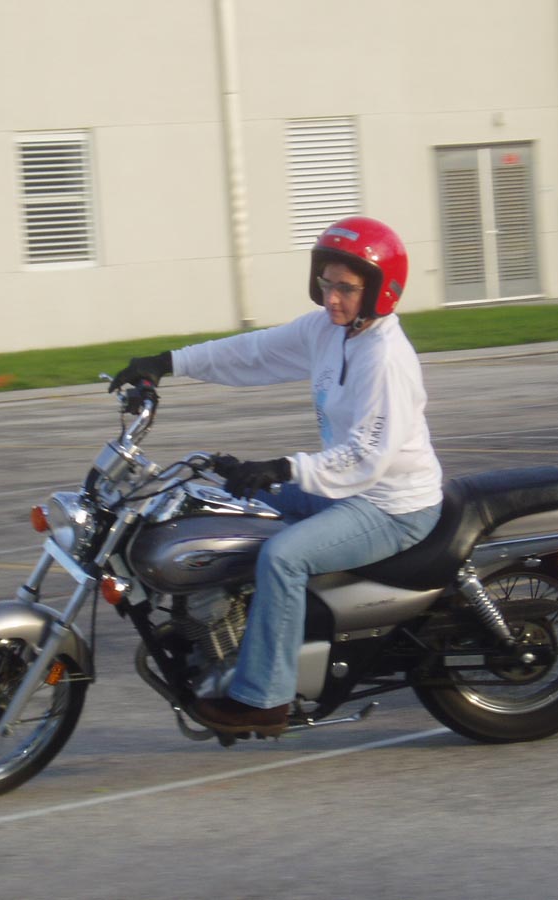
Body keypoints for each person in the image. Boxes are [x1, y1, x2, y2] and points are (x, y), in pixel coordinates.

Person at [109, 216, 443, 736]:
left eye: (346, 288)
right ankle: (227, 638)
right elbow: (253, 351)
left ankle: (265, 700)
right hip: (345, 489)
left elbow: (365, 458)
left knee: (284, 556)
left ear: (381, 291)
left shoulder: (385, 359)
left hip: (391, 505)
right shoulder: (329, 331)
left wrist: (282, 468)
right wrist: (167, 362)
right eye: (326, 284)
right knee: (231, 508)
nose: (332, 298)